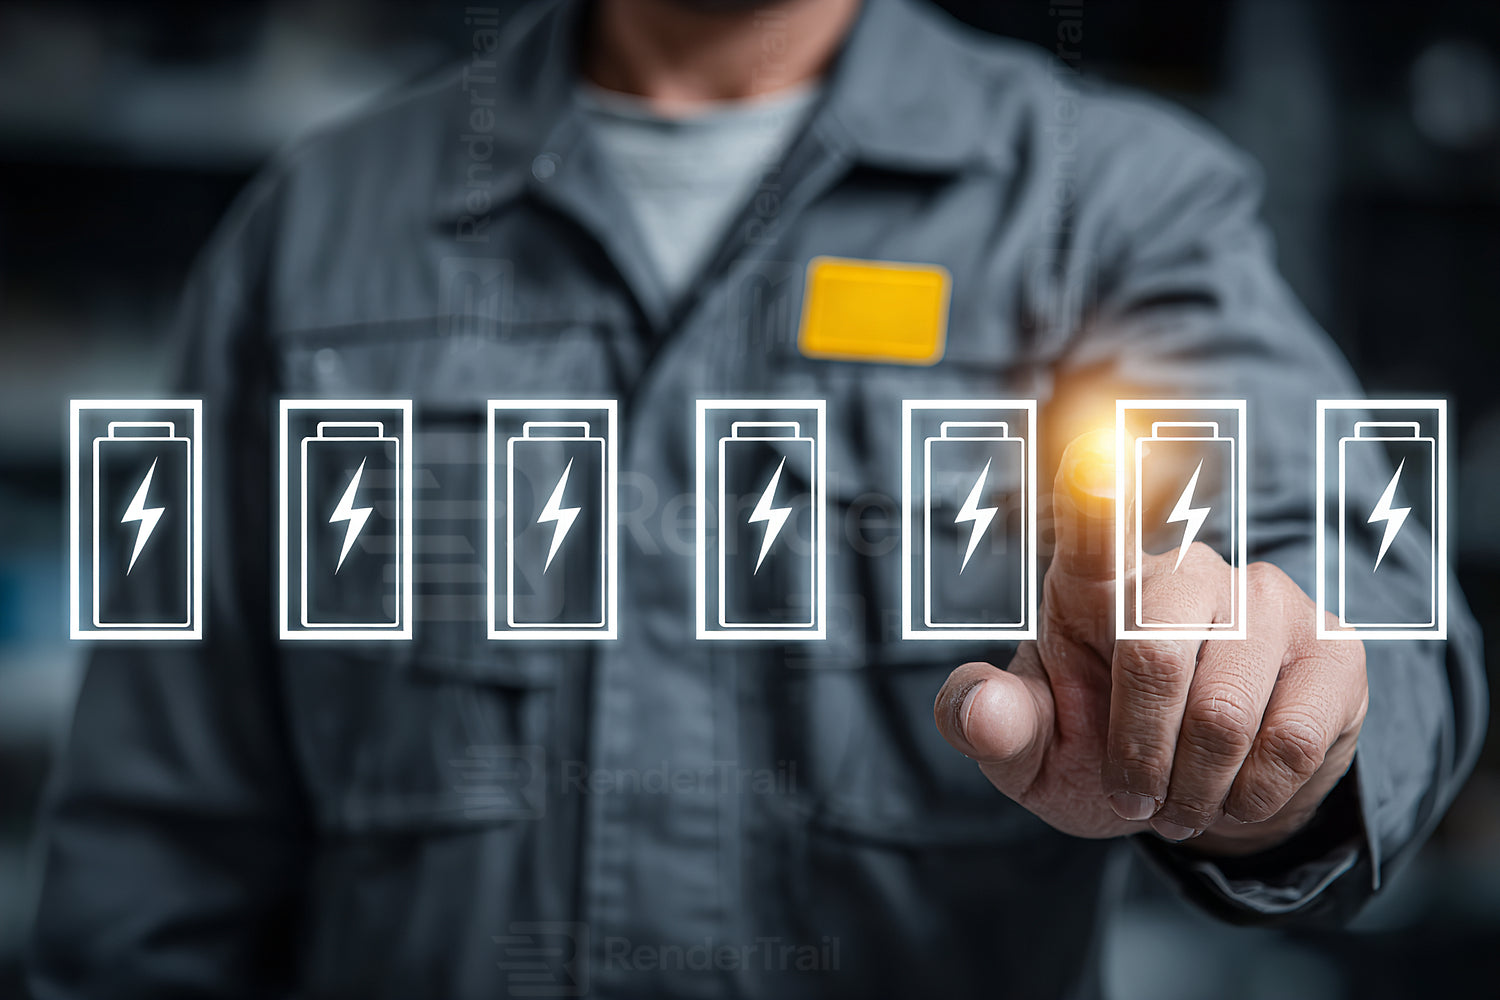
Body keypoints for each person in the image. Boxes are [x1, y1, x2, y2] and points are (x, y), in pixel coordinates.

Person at [29, 0, 1487, 997]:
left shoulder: (1108, 208)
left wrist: (1269, 726)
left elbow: (1357, 585)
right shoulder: (314, 231)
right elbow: (156, 845)